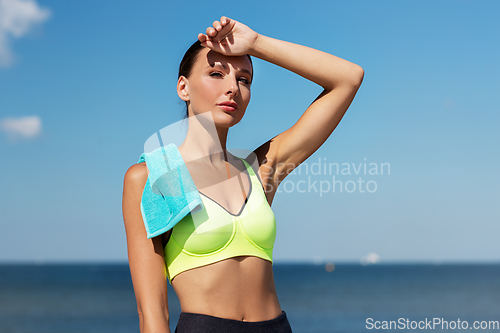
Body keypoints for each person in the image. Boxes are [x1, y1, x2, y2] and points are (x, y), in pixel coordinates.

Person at [122, 16, 364, 333]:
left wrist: (255, 43)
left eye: (244, 79)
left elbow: (348, 78)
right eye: (216, 73)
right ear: (183, 87)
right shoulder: (153, 176)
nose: (232, 88)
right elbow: (151, 311)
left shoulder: (261, 169)